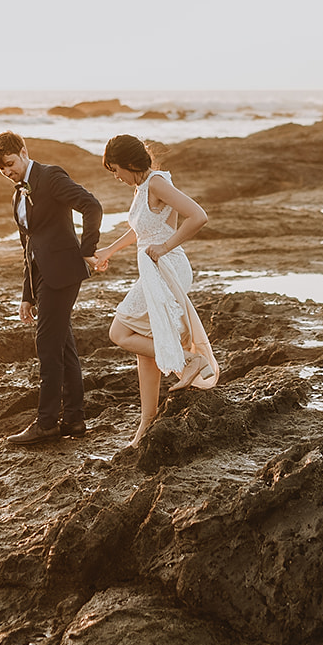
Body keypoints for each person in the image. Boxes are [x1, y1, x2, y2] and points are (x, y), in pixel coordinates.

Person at [91, 134, 219, 447]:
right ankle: (146, 422)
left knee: (119, 332)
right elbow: (143, 230)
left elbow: (198, 216)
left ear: (131, 164)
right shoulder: (142, 187)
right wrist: (108, 250)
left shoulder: (158, 184)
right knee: (144, 345)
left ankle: (189, 361)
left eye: (116, 169)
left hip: (166, 268)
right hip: (154, 268)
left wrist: (165, 247)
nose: (116, 176)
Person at [0, 131, 105, 445]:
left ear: (23, 151)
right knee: (63, 346)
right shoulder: (18, 194)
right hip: (42, 278)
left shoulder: (50, 176)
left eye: (9, 164)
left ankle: (47, 422)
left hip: (64, 273)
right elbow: (27, 247)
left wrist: (87, 249)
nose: (7, 172)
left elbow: (91, 206)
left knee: (47, 345)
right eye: (2, 169)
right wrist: (27, 294)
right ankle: (75, 420)